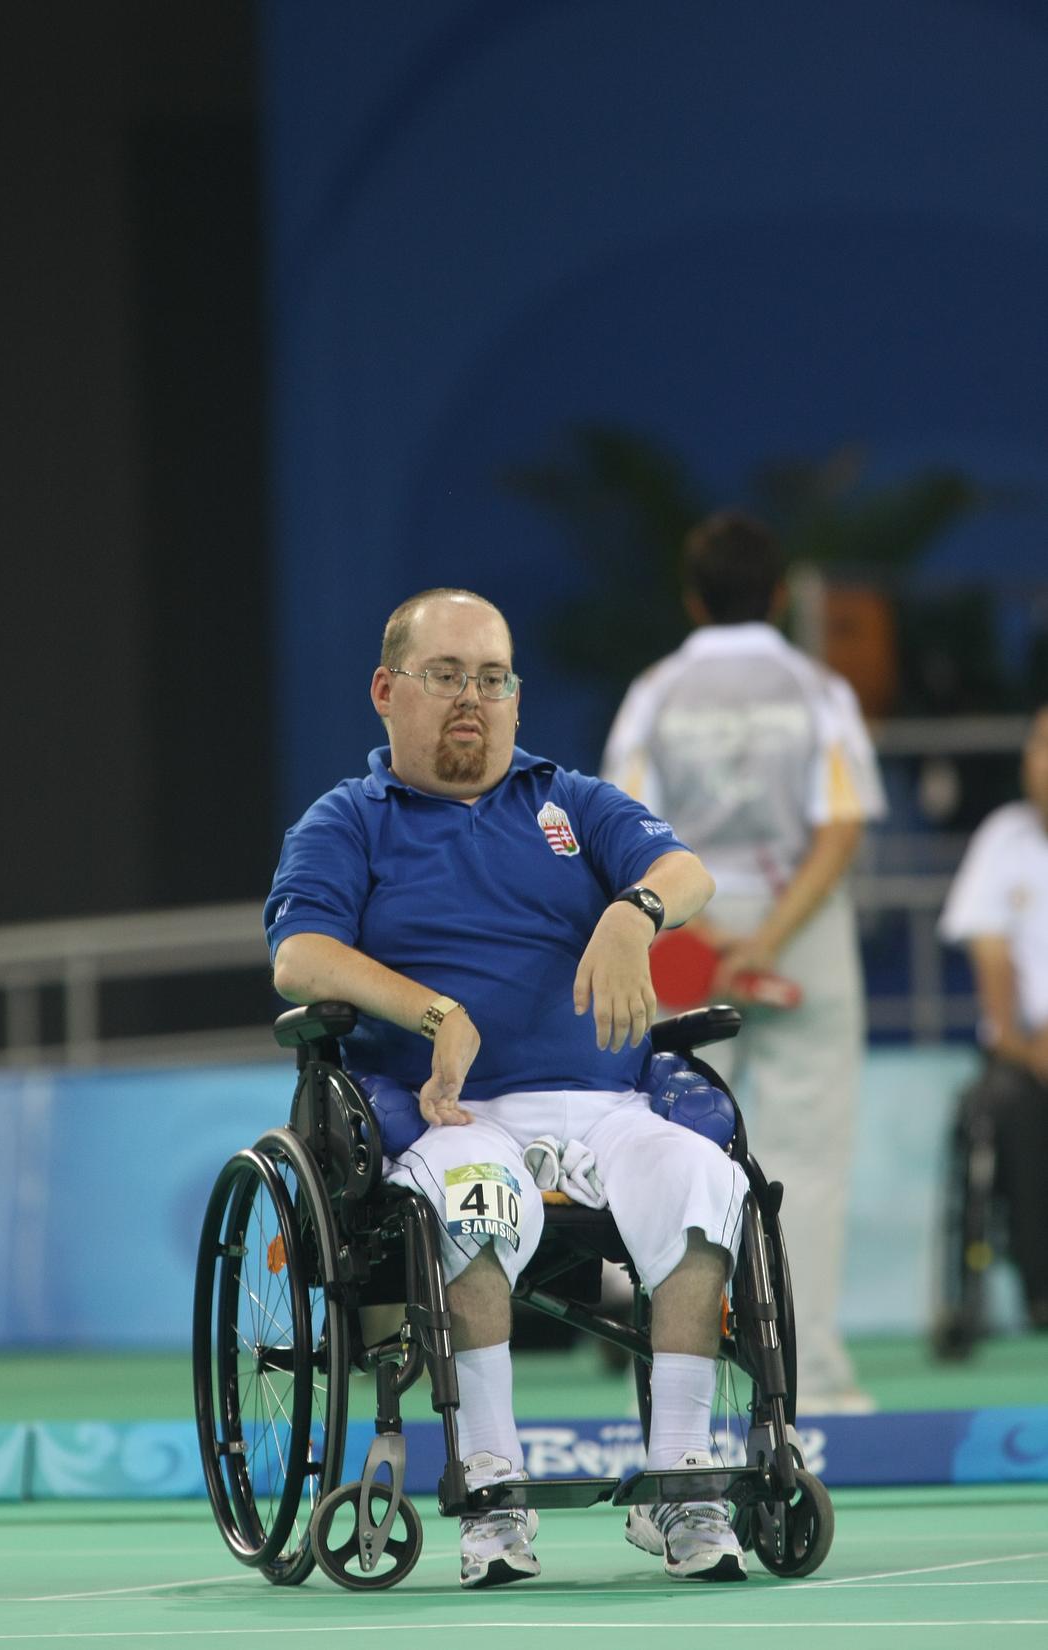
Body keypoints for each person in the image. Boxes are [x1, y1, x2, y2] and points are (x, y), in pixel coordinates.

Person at [265, 587, 750, 1588]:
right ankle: (491, 1492)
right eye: (445, 675)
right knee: (476, 1202)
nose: (471, 699)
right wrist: (433, 1012)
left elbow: (687, 873)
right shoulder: (347, 821)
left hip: (610, 1111)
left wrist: (632, 913)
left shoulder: (572, 801)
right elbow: (299, 956)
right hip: (454, 1116)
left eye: (491, 679)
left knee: (707, 1183)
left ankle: (683, 1484)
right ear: (386, 690)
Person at [602, 512, 887, 1414]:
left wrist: (715, 937)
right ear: (778, 596)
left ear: (693, 598)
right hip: (802, 935)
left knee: (671, 1151)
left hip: (684, 932)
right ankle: (814, 1378)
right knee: (809, 1158)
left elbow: (626, 830)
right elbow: (842, 825)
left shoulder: (654, 694)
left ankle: (677, 1387)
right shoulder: (817, 688)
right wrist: (768, 941)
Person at [937, 706, 1048, 1330]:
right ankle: (1040, 1286)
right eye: (1039, 745)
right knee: (1007, 1105)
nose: (1043, 760)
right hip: (1023, 1054)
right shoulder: (1003, 838)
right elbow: (991, 955)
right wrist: (1024, 1045)